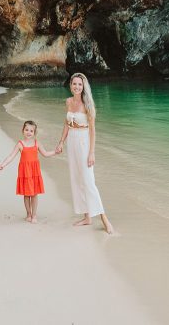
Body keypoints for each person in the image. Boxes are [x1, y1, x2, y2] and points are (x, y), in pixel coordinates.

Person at [56, 73, 115, 234]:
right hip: (72, 142)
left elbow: (93, 131)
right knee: (76, 179)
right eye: (74, 84)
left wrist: (92, 153)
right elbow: (67, 124)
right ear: (70, 85)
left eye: (79, 85)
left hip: (84, 142)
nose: (76, 87)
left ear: (84, 87)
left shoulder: (88, 104)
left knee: (89, 182)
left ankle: (104, 219)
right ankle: (87, 217)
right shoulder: (68, 101)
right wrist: (61, 141)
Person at [0, 120, 58, 223]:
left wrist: (55, 152)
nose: (28, 132)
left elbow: (46, 154)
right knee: (26, 194)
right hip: (25, 172)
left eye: (31, 131)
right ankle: (28, 214)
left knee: (34, 194)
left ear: (34, 133)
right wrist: (3, 164)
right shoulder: (20, 144)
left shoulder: (37, 143)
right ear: (23, 130)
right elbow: (11, 156)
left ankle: (34, 215)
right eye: (26, 130)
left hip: (34, 172)